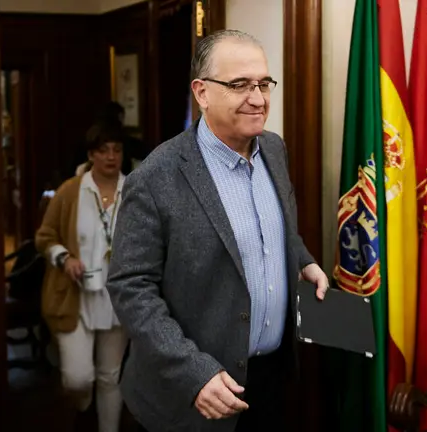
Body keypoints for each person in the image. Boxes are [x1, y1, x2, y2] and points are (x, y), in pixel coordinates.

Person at [106, 29, 329, 432]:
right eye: (240, 85)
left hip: (271, 380)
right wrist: (194, 373)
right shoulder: (156, 177)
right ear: (202, 92)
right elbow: (130, 286)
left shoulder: (274, 150)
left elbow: (277, 229)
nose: (258, 99)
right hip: (191, 395)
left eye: (263, 84)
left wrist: (303, 260)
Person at [36, 123, 129, 432]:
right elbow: (44, 237)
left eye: (117, 150)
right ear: (91, 155)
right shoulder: (70, 191)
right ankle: (83, 406)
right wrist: (65, 258)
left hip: (117, 301)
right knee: (78, 379)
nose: (111, 157)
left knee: (109, 376)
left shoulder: (134, 190)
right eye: (103, 151)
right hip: (74, 297)